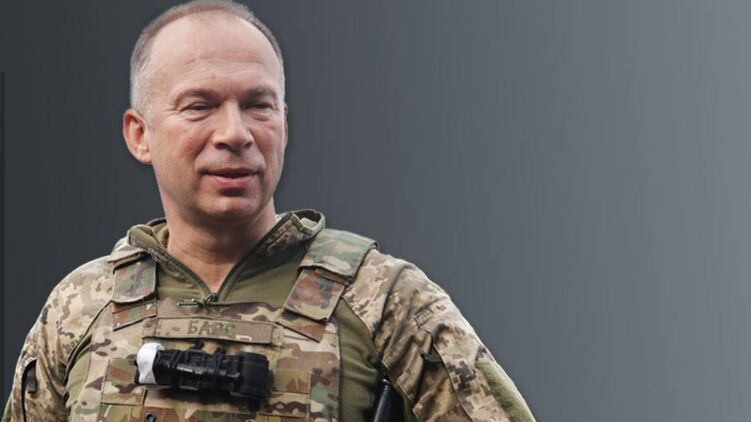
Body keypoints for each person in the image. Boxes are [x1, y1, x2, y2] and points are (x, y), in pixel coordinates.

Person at [3, 1, 535, 420]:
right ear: (140, 135)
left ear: (283, 121)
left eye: (258, 105)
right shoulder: (80, 307)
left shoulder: (385, 302)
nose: (235, 133)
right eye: (199, 106)